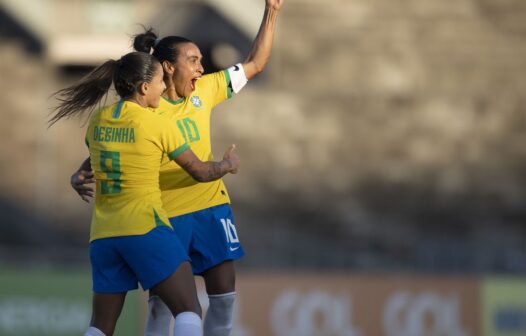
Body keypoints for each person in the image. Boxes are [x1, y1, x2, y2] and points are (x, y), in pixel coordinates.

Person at [71, 0, 284, 335]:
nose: (201, 68)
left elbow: (255, 63)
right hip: (163, 216)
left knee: (225, 299)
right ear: (167, 68)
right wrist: (85, 167)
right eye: (193, 60)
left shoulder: (206, 89)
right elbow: (116, 145)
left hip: (210, 208)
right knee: (163, 309)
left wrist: (271, 11)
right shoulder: (145, 109)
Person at [51, 51, 240, 336]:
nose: (165, 88)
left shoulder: (98, 120)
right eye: (161, 82)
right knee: (189, 309)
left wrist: (77, 175)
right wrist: (227, 165)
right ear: (144, 87)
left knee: (100, 326)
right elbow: (200, 172)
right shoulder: (157, 124)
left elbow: (97, 157)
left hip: (103, 236)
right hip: (145, 227)